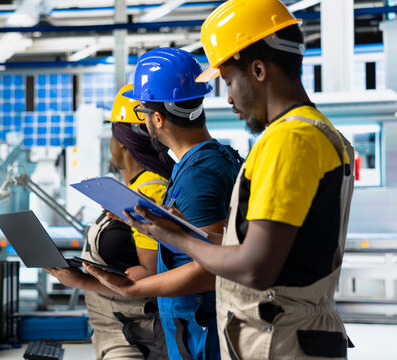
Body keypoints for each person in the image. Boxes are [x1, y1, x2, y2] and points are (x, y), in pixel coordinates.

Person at [116, 1, 356, 359]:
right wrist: (189, 233)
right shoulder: (319, 132)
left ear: (257, 69)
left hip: (279, 340)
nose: (227, 97)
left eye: (228, 80)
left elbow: (255, 267)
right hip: (292, 334)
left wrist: (175, 237)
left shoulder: (289, 140)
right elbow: (274, 248)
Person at [86, 47, 243, 360]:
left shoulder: (199, 173)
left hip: (200, 331)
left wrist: (132, 289)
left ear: (157, 119)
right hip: (195, 326)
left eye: (143, 113)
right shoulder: (210, 160)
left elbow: (210, 268)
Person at [47, 84, 173, 360]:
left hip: (135, 338)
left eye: (113, 136)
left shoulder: (150, 191)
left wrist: (81, 280)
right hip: (115, 331)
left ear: (124, 143)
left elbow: (151, 275)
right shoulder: (134, 187)